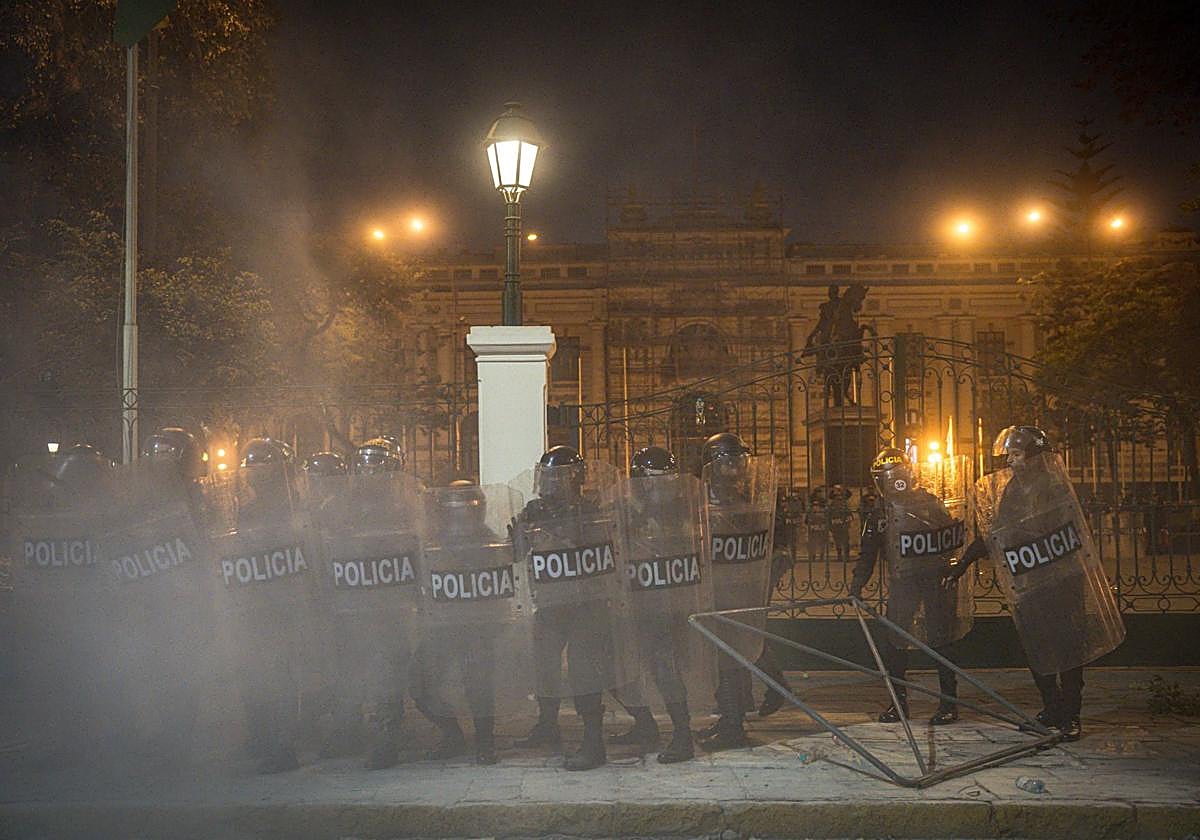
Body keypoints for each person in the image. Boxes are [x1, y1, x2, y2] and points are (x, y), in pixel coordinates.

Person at [943, 425, 1126, 742]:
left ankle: (1071, 715)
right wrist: (963, 564)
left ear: (1033, 455)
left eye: (1016, 454)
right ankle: (1051, 709)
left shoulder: (1055, 488)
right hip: (1030, 587)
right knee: (1037, 649)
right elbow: (995, 535)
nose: (1010, 461)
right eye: (1009, 455)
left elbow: (1069, 533)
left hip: (1063, 584)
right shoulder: (1011, 490)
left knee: (1069, 651)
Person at [512, 445, 625, 771]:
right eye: (548, 477)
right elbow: (516, 554)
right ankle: (547, 726)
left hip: (586, 606)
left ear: (575, 478)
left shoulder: (591, 509)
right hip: (550, 603)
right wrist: (518, 534)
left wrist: (562, 537)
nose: (551, 484)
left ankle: (593, 742)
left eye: (558, 477)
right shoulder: (535, 511)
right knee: (543, 666)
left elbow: (604, 550)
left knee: (583, 672)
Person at [849, 447, 970, 726]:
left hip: (935, 580)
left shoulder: (928, 503)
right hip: (904, 583)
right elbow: (868, 553)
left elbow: (951, 536)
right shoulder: (880, 513)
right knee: (893, 642)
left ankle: (949, 703)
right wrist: (857, 584)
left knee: (942, 641)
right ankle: (899, 703)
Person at [608, 445, 708, 763]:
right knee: (612, 666)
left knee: (665, 669)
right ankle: (644, 723)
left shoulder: (682, 509)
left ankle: (682, 735)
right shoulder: (624, 508)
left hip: (667, 603)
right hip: (634, 600)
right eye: (650, 480)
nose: (655, 487)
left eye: (662, 480)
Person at [694, 432, 776, 751]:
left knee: (728, 658)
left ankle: (733, 727)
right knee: (724, 659)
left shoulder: (745, 501)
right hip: (714, 589)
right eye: (725, 462)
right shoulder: (701, 500)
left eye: (736, 462)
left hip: (735, 591)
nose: (732, 469)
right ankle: (730, 719)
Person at [828, 484, 852, 564]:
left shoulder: (845, 505)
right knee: (837, 541)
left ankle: (847, 556)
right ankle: (839, 555)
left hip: (843, 525)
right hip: (836, 525)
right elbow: (829, 516)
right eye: (836, 497)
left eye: (840, 496)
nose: (838, 498)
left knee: (845, 541)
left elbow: (849, 515)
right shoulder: (832, 505)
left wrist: (843, 488)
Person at [806, 497, 829, 562]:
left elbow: (827, 521)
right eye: (814, 506)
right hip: (813, 531)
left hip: (822, 530)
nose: (815, 507)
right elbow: (806, 521)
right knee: (813, 544)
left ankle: (821, 556)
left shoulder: (823, 513)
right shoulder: (810, 513)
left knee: (822, 544)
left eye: (817, 506)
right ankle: (813, 556)